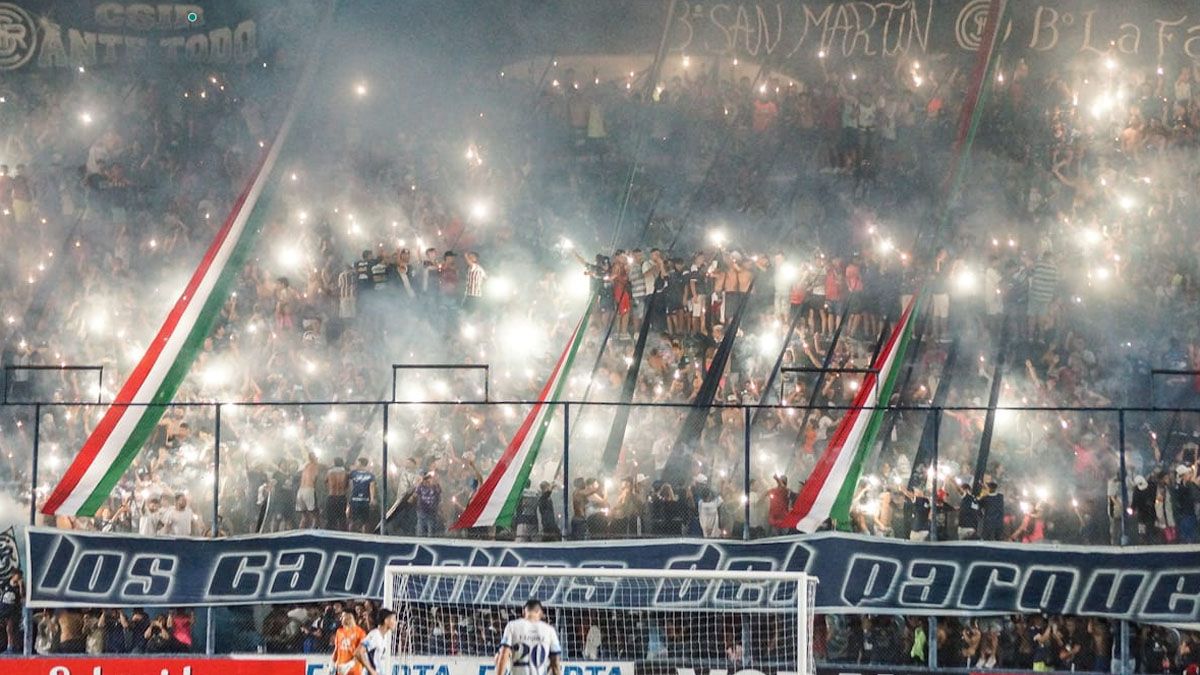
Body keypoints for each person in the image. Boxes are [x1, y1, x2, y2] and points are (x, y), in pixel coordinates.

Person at [496, 599, 562, 675]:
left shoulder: (512, 626)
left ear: (523, 612)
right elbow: (555, 662)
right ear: (540, 613)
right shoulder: (550, 630)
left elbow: (504, 653)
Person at [332, 609, 371, 675]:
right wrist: (332, 663)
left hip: (354, 669)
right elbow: (336, 649)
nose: (341, 618)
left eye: (343, 616)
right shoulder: (339, 631)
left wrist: (349, 665)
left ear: (349, 618)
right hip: (340, 668)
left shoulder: (360, 633)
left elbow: (360, 653)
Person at [362, 609, 397, 675]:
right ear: (386, 620)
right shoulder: (375, 635)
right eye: (394, 619)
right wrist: (371, 671)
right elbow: (358, 652)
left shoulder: (383, 636)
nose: (396, 622)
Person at [349, 457, 377, 533]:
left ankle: (355, 536)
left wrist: (372, 499)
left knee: (358, 521)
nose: (355, 464)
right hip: (362, 500)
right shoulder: (370, 475)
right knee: (359, 520)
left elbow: (371, 487)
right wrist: (371, 498)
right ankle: (357, 536)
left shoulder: (354, 474)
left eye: (357, 463)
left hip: (358, 500)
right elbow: (371, 487)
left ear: (360, 464)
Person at [298, 451, 321, 529]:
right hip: (308, 489)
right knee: (315, 514)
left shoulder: (305, 466)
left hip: (300, 490)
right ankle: (313, 532)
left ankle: (300, 532)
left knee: (304, 516)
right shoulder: (315, 465)